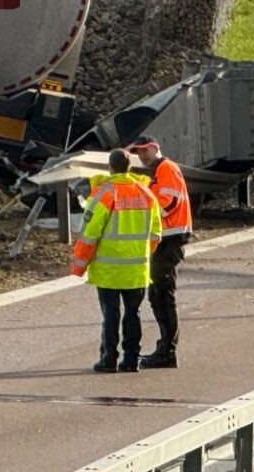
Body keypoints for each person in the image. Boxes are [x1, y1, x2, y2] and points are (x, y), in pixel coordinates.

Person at [70, 148, 161, 373]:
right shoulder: (147, 194)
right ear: (130, 167)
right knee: (133, 314)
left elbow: (89, 234)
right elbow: (156, 234)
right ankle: (132, 360)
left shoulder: (104, 194)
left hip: (108, 269)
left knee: (110, 314)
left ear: (110, 167)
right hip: (137, 269)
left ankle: (108, 358)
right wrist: (141, 255)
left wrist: (79, 265)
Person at [127, 135, 192, 370]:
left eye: (144, 151)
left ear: (155, 148)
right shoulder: (158, 171)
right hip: (165, 238)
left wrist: (145, 217)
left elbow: (168, 202)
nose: (142, 156)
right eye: (139, 153)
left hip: (169, 238)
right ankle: (165, 349)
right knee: (158, 295)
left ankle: (167, 351)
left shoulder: (165, 168)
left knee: (163, 295)